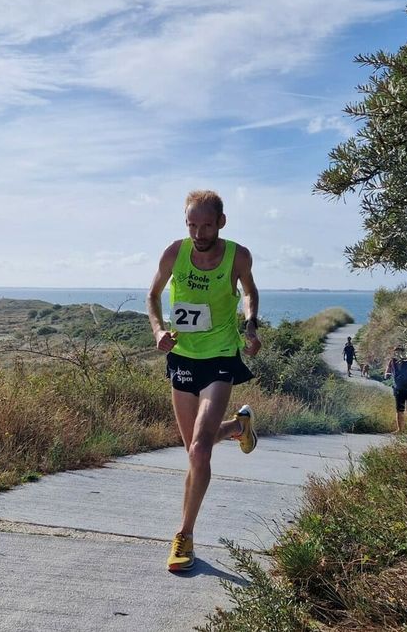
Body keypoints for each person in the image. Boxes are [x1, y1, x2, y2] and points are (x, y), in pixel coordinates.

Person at [147, 189, 262, 573]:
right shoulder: (173, 253)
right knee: (192, 448)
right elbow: (153, 295)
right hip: (183, 356)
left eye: (206, 225)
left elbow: (250, 292)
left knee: (199, 452)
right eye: (192, 225)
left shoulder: (237, 255)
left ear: (221, 223)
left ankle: (184, 535)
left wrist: (251, 326)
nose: (198, 233)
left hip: (220, 356)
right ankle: (238, 426)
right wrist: (158, 329)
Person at [385, 345, 407, 433]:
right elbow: (388, 370)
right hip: (399, 389)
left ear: (403, 353)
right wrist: (387, 374)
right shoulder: (392, 362)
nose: (398, 353)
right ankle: (400, 430)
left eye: (400, 351)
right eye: (396, 351)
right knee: (399, 409)